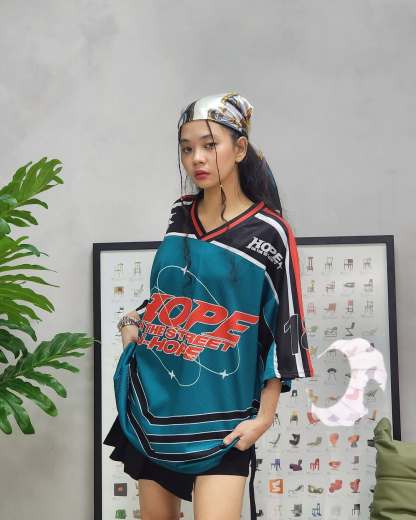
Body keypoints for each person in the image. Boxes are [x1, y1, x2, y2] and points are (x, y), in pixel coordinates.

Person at [104, 91, 314, 520]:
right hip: (156, 406)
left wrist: (264, 418)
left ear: (240, 148)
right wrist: (131, 323)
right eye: (186, 149)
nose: (196, 158)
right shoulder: (180, 214)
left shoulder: (270, 232)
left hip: (225, 419)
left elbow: (285, 326)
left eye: (209, 145)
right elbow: (170, 295)